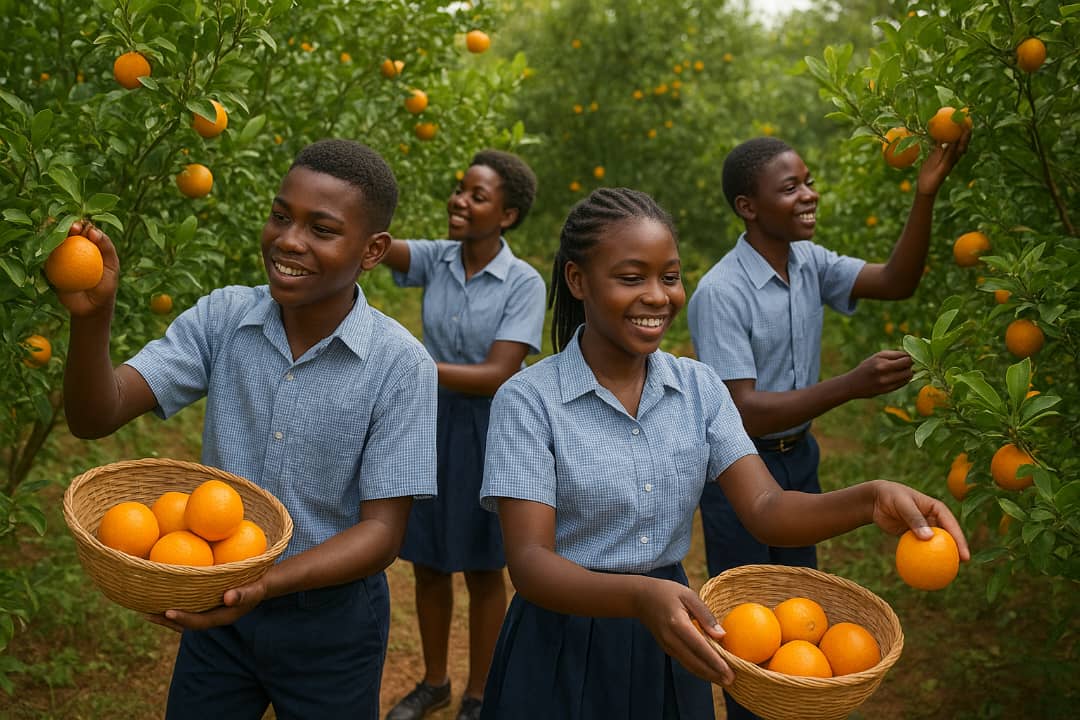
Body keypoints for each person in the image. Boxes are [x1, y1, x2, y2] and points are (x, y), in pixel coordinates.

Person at [476, 187, 970, 720]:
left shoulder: (698, 388)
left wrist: (871, 499)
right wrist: (640, 597)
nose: (657, 296)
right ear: (578, 280)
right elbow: (529, 564)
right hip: (561, 642)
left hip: (673, 636)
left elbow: (768, 510)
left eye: (669, 277)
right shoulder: (529, 401)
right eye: (630, 277)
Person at [56, 139, 438, 720]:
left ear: (373, 249)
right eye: (281, 216)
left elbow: (382, 534)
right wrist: (93, 319)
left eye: (322, 229)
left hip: (330, 625)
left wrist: (266, 583)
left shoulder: (400, 366)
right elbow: (96, 415)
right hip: (218, 610)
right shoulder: (224, 318)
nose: (289, 240)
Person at [687, 134, 969, 719]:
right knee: (747, 635)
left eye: (808, 181)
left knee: (800, 610)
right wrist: (851, 384)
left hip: (798, 457)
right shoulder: (722, 292)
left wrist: (925, 195)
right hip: (740, 470)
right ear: (748, 206)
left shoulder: (809, 264)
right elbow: (740, 410)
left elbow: (897, 281)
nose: (809, 195)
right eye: (790, 188)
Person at [382, 150, 545, 720]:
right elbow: (377, 242)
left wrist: (411, 367)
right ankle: (434, 683)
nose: (460, 201)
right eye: (460, 189)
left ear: (508, 215)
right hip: (429, 423)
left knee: (482, 564)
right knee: (427, 560)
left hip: (491, 427)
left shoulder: (522, 281)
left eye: (477, 195)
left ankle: (479, 692)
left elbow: (499, 373)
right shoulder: (439, 259)